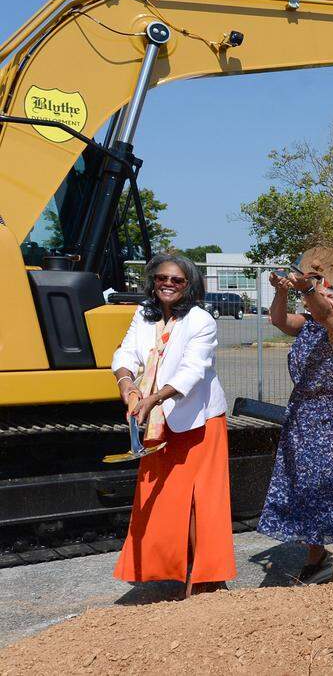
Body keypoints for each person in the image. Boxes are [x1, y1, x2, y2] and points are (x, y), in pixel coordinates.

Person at [111, 253, 234, 597]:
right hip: (157, 423)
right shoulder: (143, 315)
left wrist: (153, 399)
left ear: (190, 285)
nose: (168, 284)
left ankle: (209, 578)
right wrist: (127, 385)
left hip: (198, 421)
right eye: (162, 278)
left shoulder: (201, 321)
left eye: (177, 280)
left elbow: (192, 371)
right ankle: (172, 567)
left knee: (201, 499)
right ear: (152, 282)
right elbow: (124, 355)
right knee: (163, 496)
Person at [257, 264, 333, 583]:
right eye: (319, 292)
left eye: (329, 294)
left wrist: (306, 288)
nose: (322, 297)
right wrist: (283, 290)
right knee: (306, 489)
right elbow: (279, 319)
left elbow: (325, 313)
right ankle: (315, 556)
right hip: (303, 417)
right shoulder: (309, 325)